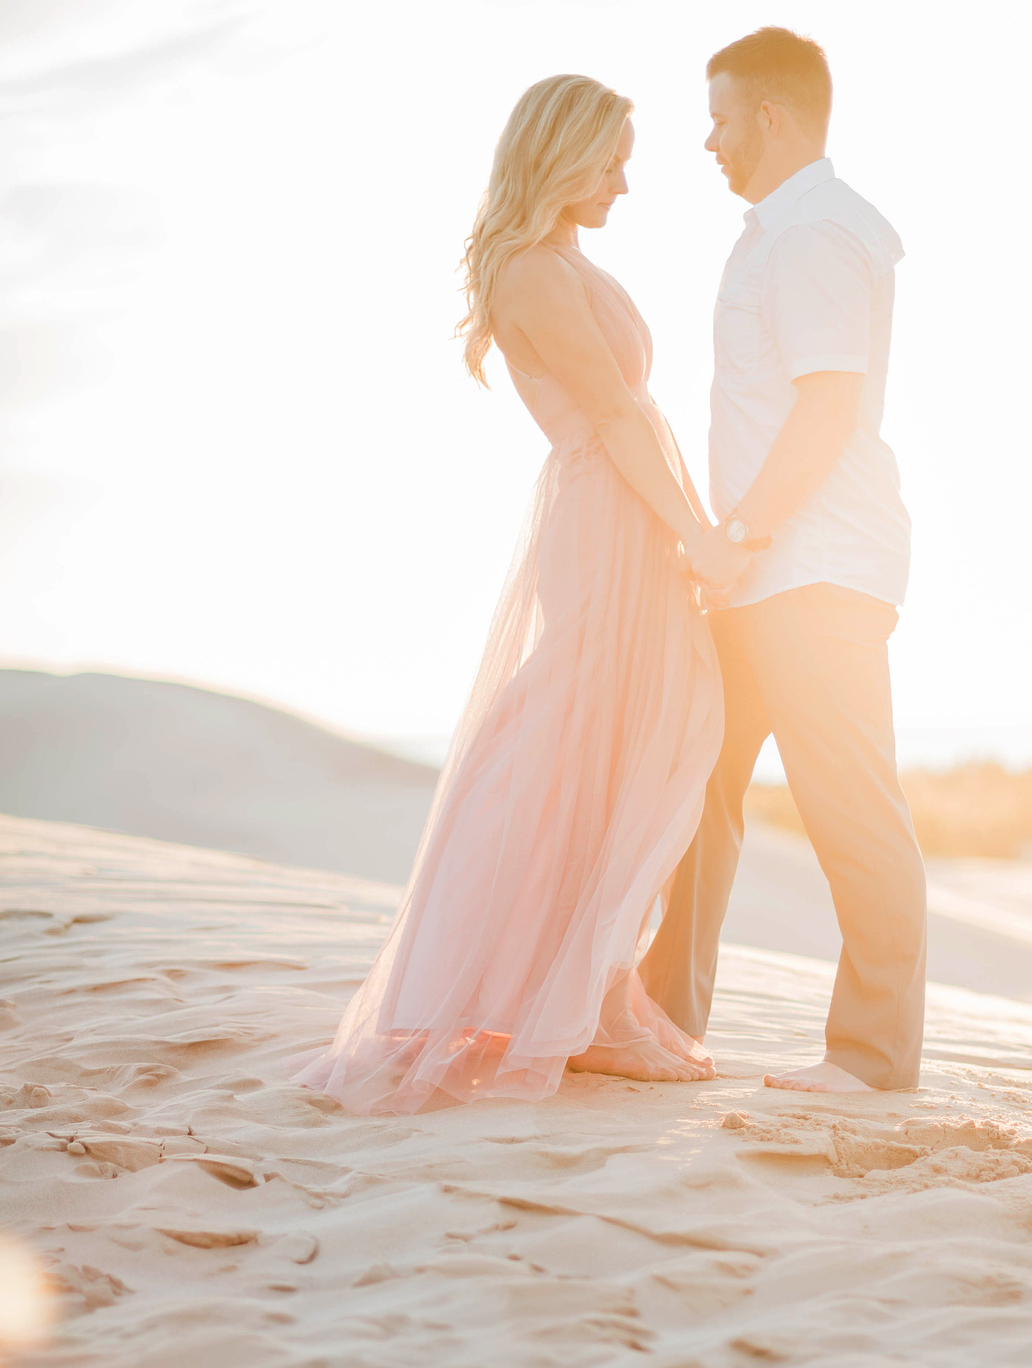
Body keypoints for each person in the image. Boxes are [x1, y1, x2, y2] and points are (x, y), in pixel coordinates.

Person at [292, 75, 723, 1115]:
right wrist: (701, 538)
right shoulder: (530, 271)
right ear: (562, 156)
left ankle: (591, 994)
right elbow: (618, 421)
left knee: (630, 747)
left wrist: (689, 528)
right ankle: (563, 1001)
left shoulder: (566, 260)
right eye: (612, 158)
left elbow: (637, 422)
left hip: (632, 515)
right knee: (577, 745)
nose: (626, 179)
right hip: (606, 520)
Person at [641, 27, 928, 1094]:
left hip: (812, 570)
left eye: (718, 117)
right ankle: (664, 1024)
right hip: (763, 572)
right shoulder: (782, 229)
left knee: (849, 805)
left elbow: (826, 407)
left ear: (769, 117)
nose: (705, 140)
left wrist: (742, 537)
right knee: (697, 793)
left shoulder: (814, 235)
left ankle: (871, 1056)